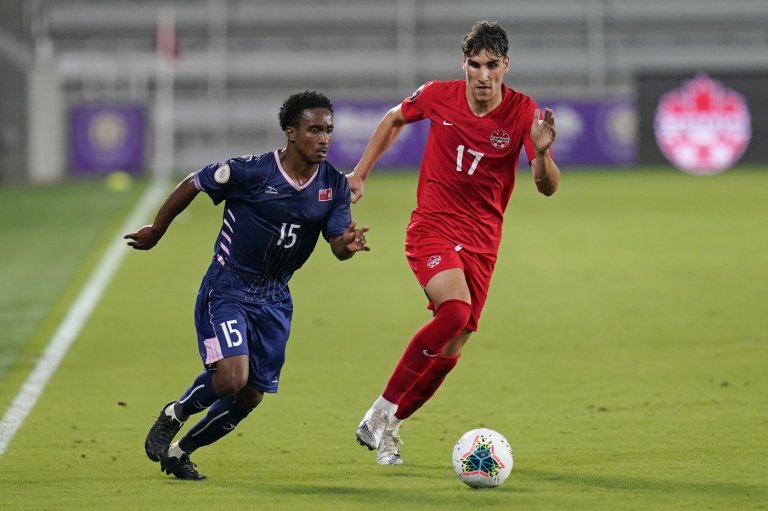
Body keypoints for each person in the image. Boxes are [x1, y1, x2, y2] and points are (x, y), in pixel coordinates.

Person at [125, 90, 370, 480]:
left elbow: (337, 245)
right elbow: (195, 181)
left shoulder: (333, 186)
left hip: (275, 299)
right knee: (231, 378)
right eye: (314, 130)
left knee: (250, 395)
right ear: (291, 132)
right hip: (228, 289)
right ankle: (175, 413)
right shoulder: (251, 172)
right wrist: (157, 229)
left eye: (328, 130)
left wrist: (348, 245)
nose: (324, 138)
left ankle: (179, 452)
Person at [348, 20, 560, 465]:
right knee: (456, 311)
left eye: (492, 65)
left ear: (506, 65)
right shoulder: (437, 95)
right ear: (463, 64)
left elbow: (547, 187)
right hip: (432, 227)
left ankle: (392, 428)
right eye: (475, 65)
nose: (483, 75)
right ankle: (378, 412)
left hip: (483, 240)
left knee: (454, 342)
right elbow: (393, 118)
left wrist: (541, 154)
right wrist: (361, 173)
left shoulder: (523, 112)